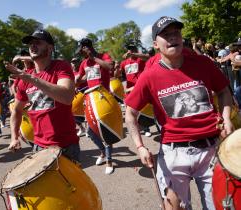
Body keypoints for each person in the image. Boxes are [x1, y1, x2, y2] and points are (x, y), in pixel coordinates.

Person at [125, 16, 234, 210]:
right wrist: (140, 146)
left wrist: (226, 118)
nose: (173, 38)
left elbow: (224, 91)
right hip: (173, 155)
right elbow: (130, 113)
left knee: (220, 206)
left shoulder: (203, 63)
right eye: (166, 35)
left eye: (176, 33)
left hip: (211, 150)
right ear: (155, 44)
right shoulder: (149, 76)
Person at [4, 29, 80, 162]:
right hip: (39, 146)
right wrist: (14, 137)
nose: (32, 46)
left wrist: (31, 78)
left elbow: (67, 97)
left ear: (50, 48)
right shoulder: (24, 79)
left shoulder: (60, 67)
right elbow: (16, 110)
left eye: (38, 42)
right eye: (30, 44)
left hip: (66, 146)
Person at [76, 38, 115, 174]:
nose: (81, 53)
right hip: (91, 99)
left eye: (82, 50)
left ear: (87, 48)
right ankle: (103, 152)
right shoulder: (84, 63)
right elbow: (82, 77)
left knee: (105, 131)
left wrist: (93, 57)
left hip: (104, 98)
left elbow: (110, 67)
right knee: (91, 132)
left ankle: (109, 160)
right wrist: (75, 81)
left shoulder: (103, 56)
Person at [120, 41, 152, 137]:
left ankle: (146, 128)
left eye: (132, 48)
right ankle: (137, 130)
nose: (130, 50)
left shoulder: (140, 59)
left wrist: (134, 54)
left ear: (135, 49)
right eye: (129, 48)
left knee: (143, 109)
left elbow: (148, 57)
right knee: (131, 111)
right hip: (129, 90)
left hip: (140, 88)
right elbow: (123, 77)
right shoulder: (124, 63)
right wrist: (125, 87)